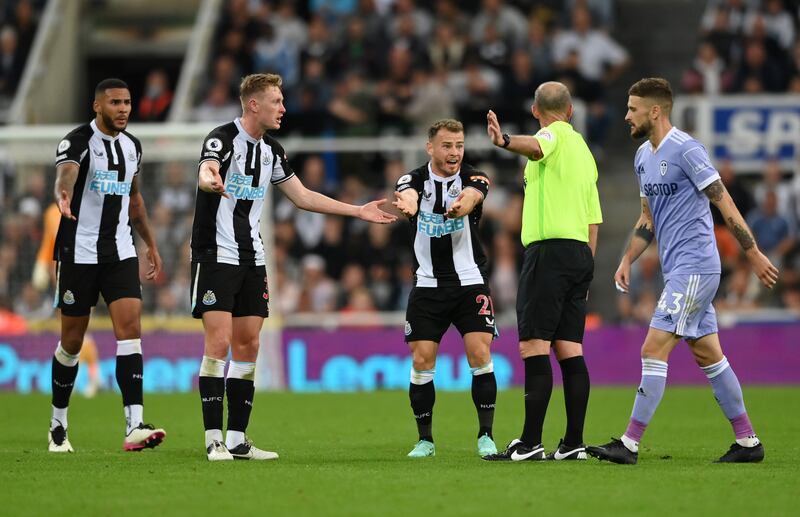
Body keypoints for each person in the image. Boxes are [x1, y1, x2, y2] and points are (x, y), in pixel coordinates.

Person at [191, 73, 396, 461]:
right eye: (276, 102)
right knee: (218, 343)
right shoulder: (222, 138)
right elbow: (207, 167)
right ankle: (213, 439)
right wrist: (208, 179)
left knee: (249, 343)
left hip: (253, 257)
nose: (283, 108)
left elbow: (302, 196)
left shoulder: (272, 150)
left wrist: (357, 210)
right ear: (254, 104)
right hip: (215, 254)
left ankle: (237, 439)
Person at [587, 77, 778, 465]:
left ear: (655, 111)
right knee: (708, 353)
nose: (626, 115)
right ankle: (747, 442)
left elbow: (723, 202)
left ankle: (629, 444)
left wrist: (753, 253)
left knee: (652, 347)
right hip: (678, 269)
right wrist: (627, 259)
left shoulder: (688, 151)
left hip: (696, 266)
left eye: (633, 109)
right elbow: (647, 219)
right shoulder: (643, 156)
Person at [482, 82, 602, 462]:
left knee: (533, 345)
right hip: (581, 254)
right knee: (570, 349)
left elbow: (536, 145)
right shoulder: (584, 151)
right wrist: (586, 268)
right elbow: (594, 220)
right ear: (570, 109)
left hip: (548, 252)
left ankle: (531, 442)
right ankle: (573, 443)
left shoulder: (549, 137)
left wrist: (503, 141)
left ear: (537, 111)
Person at [49, 78, 165, 453]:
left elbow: (134, 199)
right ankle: (58, 423)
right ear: (97, 106)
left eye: (128, 102)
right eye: (115, 102)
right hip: (78, 253)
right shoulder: (77, 141)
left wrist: (149, 242)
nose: (123, 109)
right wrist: (63, 194)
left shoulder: (133, 147)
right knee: (71, 341)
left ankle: (134, 424)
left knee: (130, 330)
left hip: (119, 252)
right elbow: (65, 175)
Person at [391, 119, 499, 458]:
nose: (454, 153)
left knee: (480, 354)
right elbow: (406, 191)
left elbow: (473, 195)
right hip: (427, 285)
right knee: (422, 360)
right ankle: (425, 440)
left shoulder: (473, 176)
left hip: (469, 282)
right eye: (447, 146)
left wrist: (461, 206)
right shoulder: (414, 180)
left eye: (459, 145)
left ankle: (486, 436)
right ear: (431, 148)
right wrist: (408, 204)